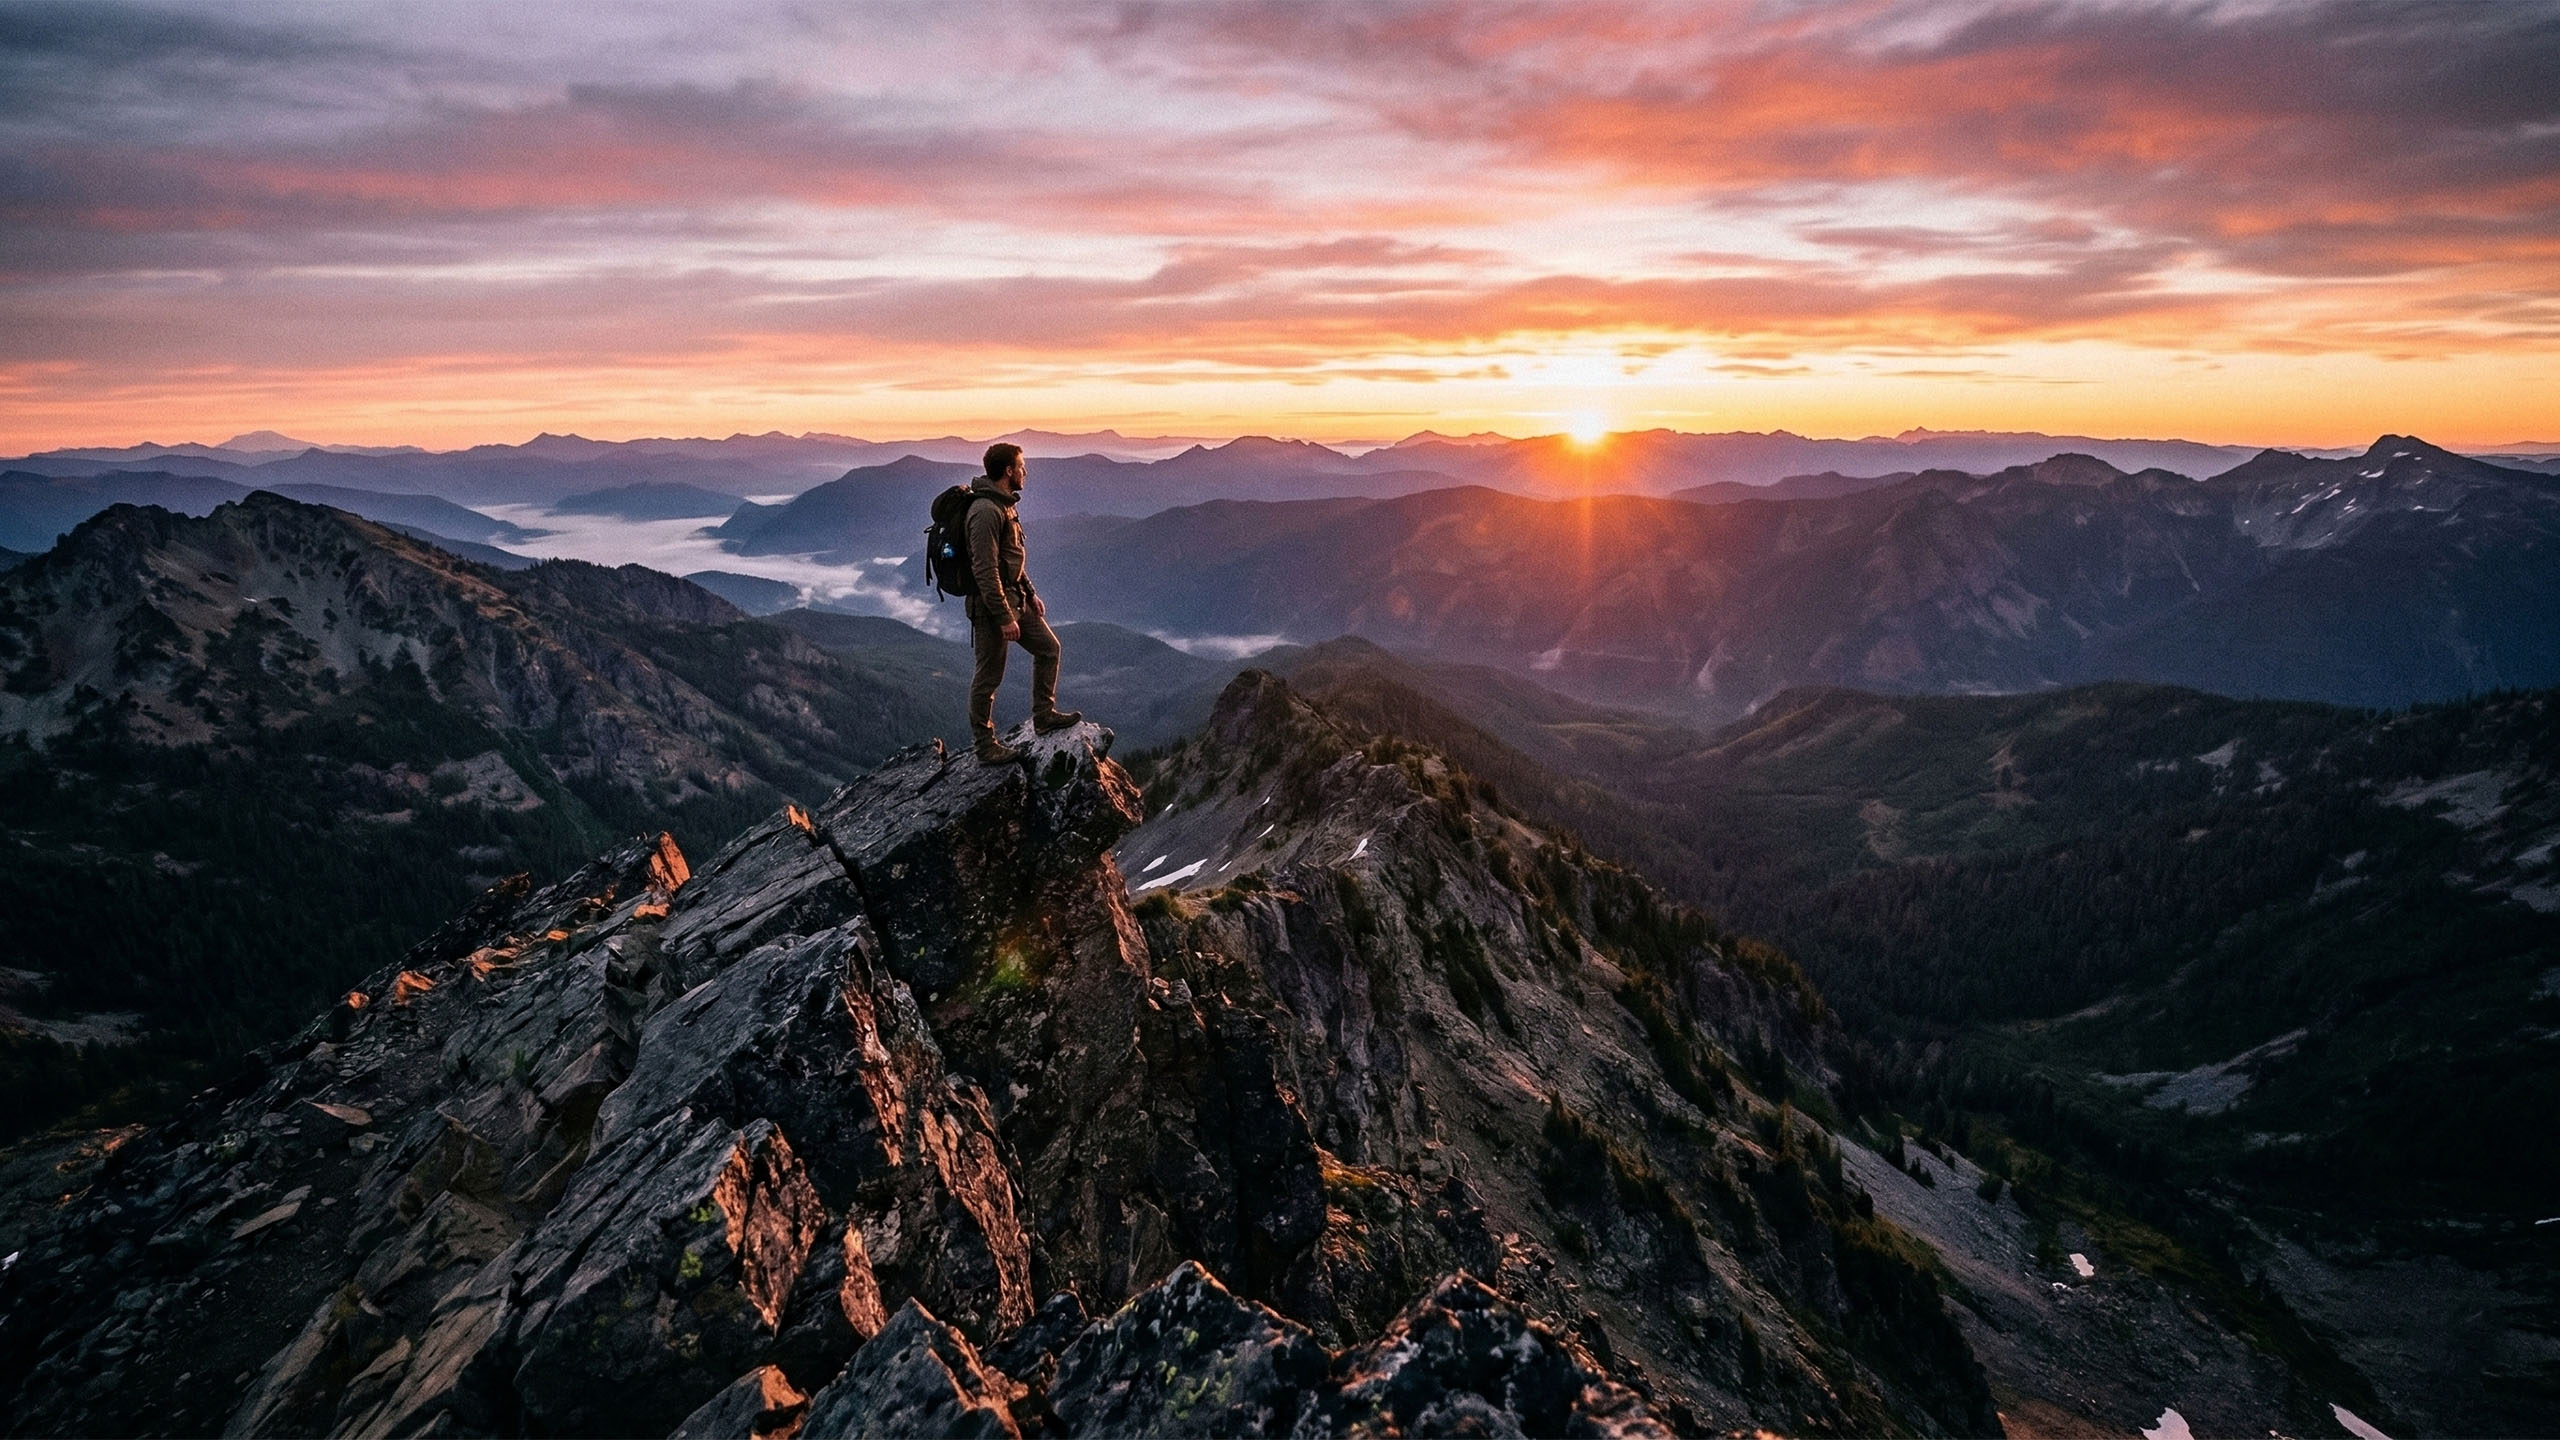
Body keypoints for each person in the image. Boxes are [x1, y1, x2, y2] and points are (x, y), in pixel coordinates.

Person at [965, 443, 1080, 763]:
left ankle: (1044, 715)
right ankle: (985, 745)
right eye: (1021, 466)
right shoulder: (986, 511)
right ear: (1008, 471)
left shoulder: (1005, 505)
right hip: (991, 609)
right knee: (988, 677)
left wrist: (1030, 593)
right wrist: (1003, 617)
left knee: (1049, 648)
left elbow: (1012, 559)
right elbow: (985, 571)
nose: (1025, 472)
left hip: (1017, 599)